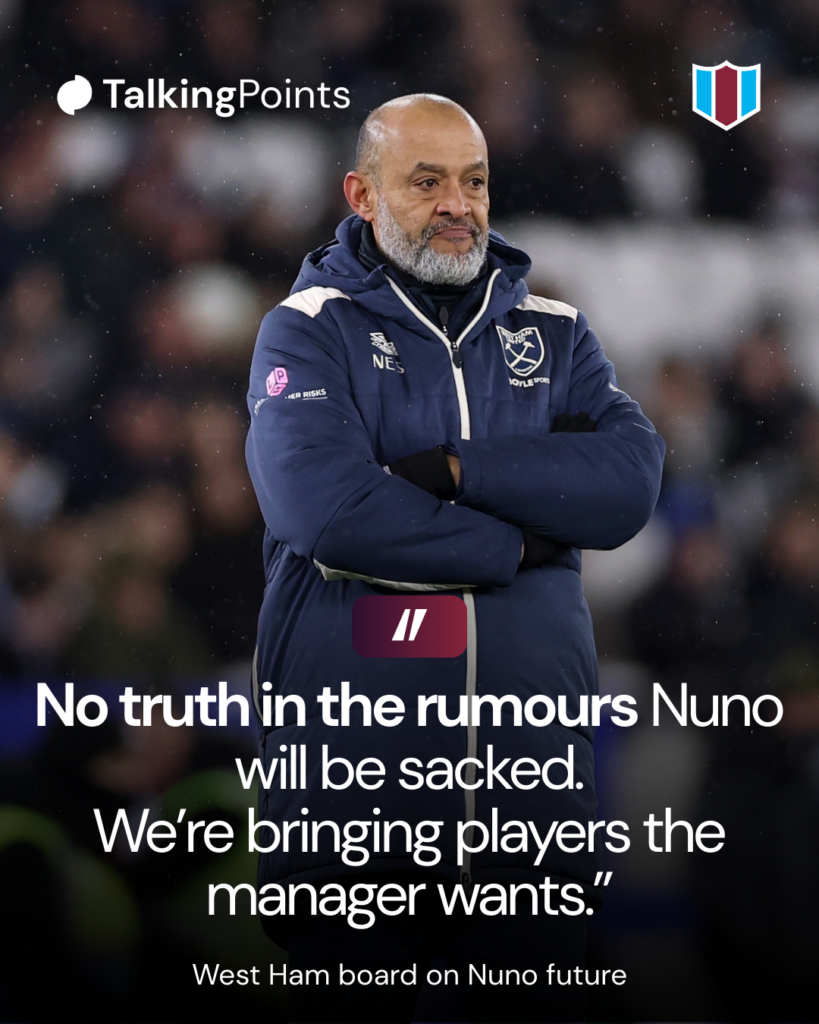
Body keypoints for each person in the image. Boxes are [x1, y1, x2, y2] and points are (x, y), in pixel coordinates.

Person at [245, 94, 665, 1023]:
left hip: (531, 824)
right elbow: (330, 512)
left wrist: (450, 470)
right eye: (426, 181)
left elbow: (629, 484)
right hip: (355, 823)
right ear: (361, 195)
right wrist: (520, 541)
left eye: (473, 182)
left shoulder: (555, 332)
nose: (457, 205)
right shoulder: (307, 328)